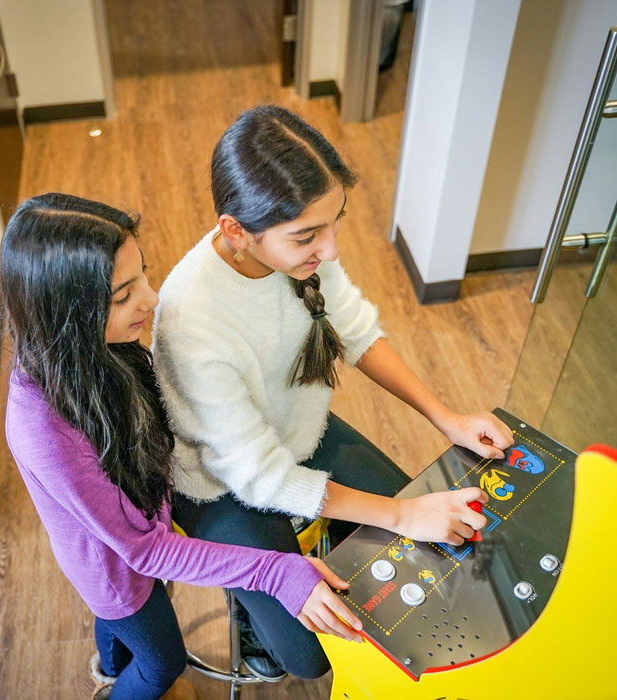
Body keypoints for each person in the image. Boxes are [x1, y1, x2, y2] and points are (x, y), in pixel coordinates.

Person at [152, 105, 512, 680]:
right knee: (311, 656)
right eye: (307, 236)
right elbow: (260, 477)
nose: (332, 249)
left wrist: (446, 419)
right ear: (236, 232)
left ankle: (311, 556)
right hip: (223, 482)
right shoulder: (190, 317)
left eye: (335, 222)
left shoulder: (302, 258)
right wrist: (399, 513)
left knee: (427, 550)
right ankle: (250, 609)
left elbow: (359, 330)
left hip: (298, 437)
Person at [1, 193, 362, 700]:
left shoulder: (100, 351)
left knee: (127, 625)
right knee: (160, 662)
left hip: (138, 531)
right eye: (123, 295)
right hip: (115, 572)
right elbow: (145, 552)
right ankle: (116, 684)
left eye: (141, 276)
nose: (150, 299)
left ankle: (108, 665)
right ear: (68, 316)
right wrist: (276, 570)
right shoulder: (42, 427)